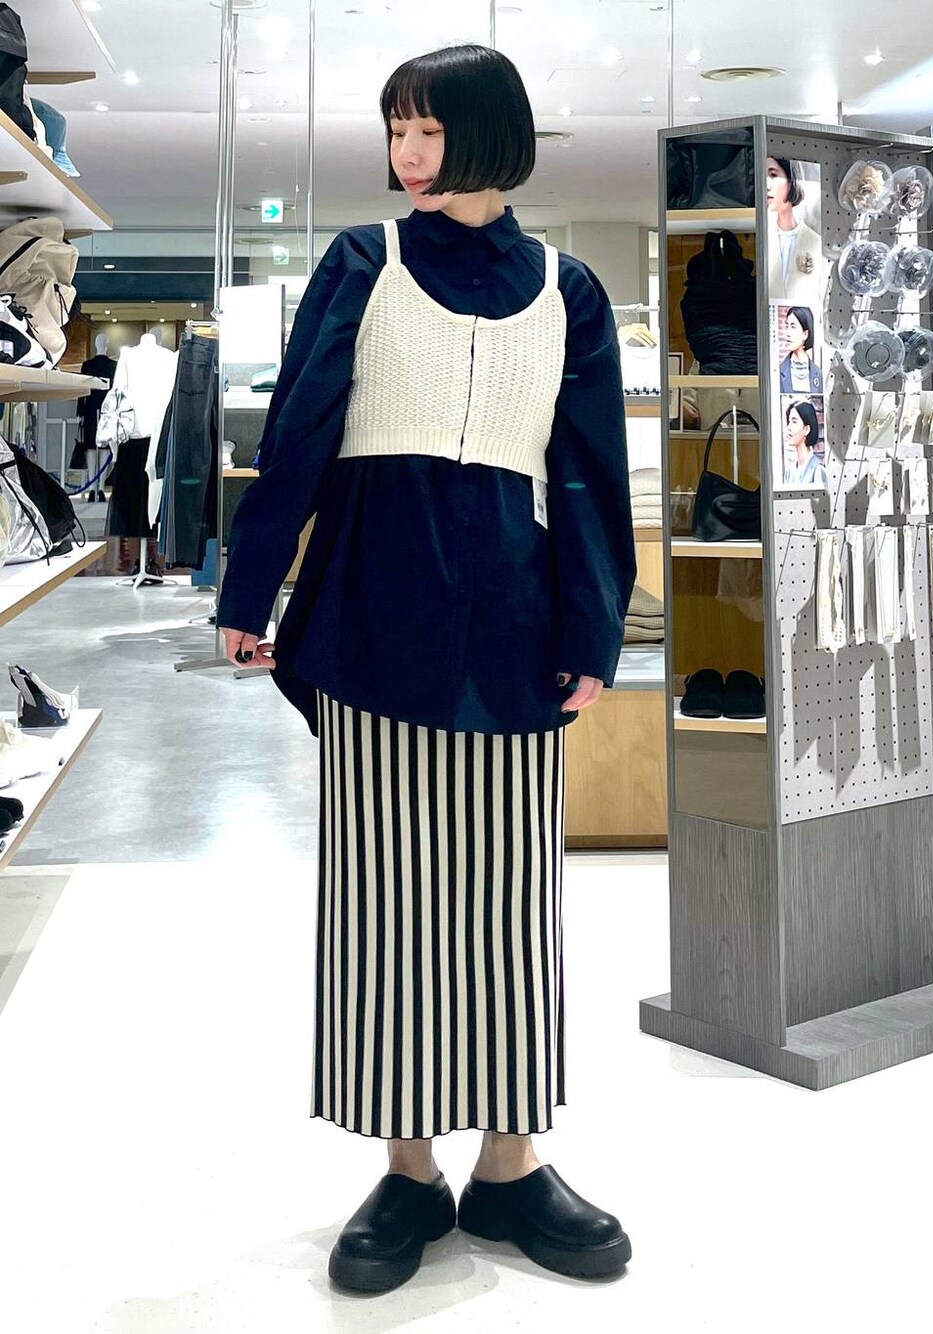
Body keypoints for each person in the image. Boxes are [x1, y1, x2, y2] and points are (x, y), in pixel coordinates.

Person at [216, 44, 636, 1295]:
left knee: (510, 899)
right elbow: (297, 432)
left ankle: (509, 1164)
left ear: (490, 134)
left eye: (430, 129)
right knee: (384, 895)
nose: (407, 151)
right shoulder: (363, 262)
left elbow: (589, 475)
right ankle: (407, 1167)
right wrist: (248, 590)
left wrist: (592, 631)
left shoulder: (568, 288)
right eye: (396, 128)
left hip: (512, 622)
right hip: (371, 611)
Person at [766, 156, 823, 305]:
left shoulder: (815, 241)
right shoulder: (762, 239)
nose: (766, 185)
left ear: (791, 181)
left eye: (773, 175)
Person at [783, 399, 827, 487]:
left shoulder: (818, 470)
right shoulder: (789, 471)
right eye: (789, 422)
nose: (789, 427)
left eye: (794, 422)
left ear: (807, 429)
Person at [778, 306, 823, 394]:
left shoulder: (818, 374)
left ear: (805, 334)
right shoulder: (779, 372)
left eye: (793, 327)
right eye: (787, 326)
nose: (787, 333)